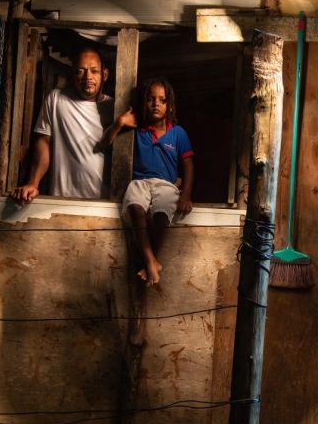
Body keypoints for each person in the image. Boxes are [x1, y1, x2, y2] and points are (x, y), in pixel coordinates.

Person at [100, 77, 194, 288]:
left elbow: (188, 165)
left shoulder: (177, 133)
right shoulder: (136, 130)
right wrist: (119, 123)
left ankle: (149, 261)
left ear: (169, 105)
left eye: (162, 99)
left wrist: (186, 194)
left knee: (161, 214)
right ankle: (151, 261)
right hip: (140, 182)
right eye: (151, 99)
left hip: (166, 185)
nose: (156, 104)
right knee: (135, 207)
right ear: (144, 103)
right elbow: (104, 143)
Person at [11, 48, 114, 204]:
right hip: (62, 197)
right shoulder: (56, 99)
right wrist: (33, 182)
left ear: (104, 75)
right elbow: (43, 142)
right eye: (81, 71)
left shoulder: (113, 106)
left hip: (104, 200)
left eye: (94, 71)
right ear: (73, 74)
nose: (88, 77)